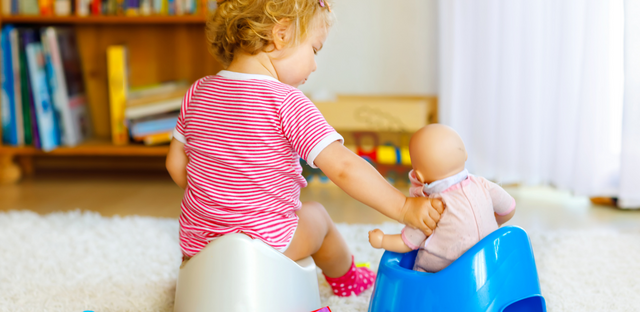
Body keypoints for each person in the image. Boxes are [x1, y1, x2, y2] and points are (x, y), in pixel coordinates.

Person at [166, 0, 444, 296]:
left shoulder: (197, 91)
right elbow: (344, 167)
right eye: (314, 49)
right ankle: (347, 280)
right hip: (268, 244)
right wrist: (403, 207)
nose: (314, 65)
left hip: (198, 246)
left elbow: (175, 165)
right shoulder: (287, 101)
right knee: (318, 217)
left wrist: (220, 198)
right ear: (281, 33)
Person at [368, 124, 516, 273]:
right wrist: (492, 224)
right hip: (487, 265)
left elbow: (407, 243)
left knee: (417, 273)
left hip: (443, 274)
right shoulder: (484, 184)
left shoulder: (432, 206)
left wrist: (382, 240)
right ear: (465, 154)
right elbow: (509, 209)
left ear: (419, 176)